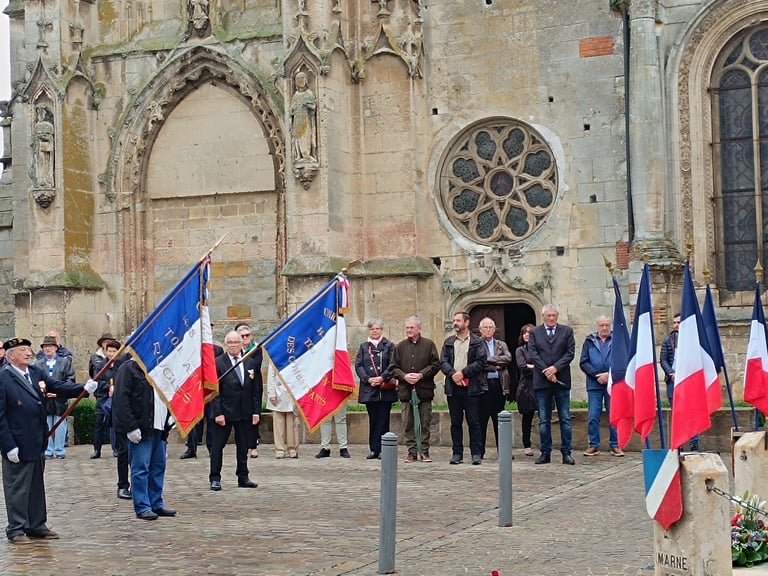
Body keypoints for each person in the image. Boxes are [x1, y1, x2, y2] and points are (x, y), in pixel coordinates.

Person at [0, 338, 97, 543]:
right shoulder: (4, 378)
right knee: (17, 487)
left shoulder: (34, 373)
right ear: (11, 356)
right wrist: (8, 446)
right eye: (22, 350)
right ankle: (16, 529)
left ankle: (36, 525)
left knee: (36, 486)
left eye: (28, 349)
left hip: (37, 439)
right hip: (18, 442)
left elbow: (57, 386)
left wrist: (83, 388)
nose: (28, 353)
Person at [112, 357, 176, 520]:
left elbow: (168, 394)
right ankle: (142, 505)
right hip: (141, 427)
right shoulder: (129, 368)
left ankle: (156, 502)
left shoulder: (161, 367)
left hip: (159, 426)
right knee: (141, 468)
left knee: (158, 467)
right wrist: (131, 427)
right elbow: (121, 399)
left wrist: (171, 416)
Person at [209, 331, 262, 491]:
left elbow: (256, 390)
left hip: (244, 412)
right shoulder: (218, 363)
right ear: (226, 345)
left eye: (236, 342)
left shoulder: (250, 362)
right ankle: (215, 478)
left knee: (243, 446)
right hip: (224, 412)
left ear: (241, 344)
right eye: (230, 342)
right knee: (217, 447)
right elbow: (214, 391)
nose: (233, 345)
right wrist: (217, 413)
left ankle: (243, 476)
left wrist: (256, 412)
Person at [528, 304, 576, 465]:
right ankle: (545, 452)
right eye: (548, 315)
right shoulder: (535, 332)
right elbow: (533, 353)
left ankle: (566, 452)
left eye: (554, 315)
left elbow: (570, 353)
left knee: (565, 418)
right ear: (543, 317)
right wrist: (546, 371)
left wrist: (555, 368)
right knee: (544, 419)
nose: (551, 318)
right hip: (542, 381)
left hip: (561, 380)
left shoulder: (566, 331)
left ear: (557, 316)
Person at [389, 316, 440, 463]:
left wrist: (421, 375)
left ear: (419, 329)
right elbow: (393, 367)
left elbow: (436, 364)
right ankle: (411, 451)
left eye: (412, 328)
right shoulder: (400, 347)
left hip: (424, 389)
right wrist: (404, 376)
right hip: (406, 390)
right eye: (407, 328)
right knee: (408, 422)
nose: (409, 330)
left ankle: (424, 450)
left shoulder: (429, 345)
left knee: (425, 421)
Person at [440, 311, 487, 465]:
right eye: (453, 320)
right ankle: (457, 453)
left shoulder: (477, 342)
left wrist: (463, 373)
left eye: (458, 320)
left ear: (467, 323)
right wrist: (453, 374)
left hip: (472, 387)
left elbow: (481, 361)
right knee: (455, 422)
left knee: (474, 422)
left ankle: (476, 453)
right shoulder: (448, 342)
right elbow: (443, 361)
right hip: (454, 388)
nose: (455, 323)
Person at [580, 316, 623, 457]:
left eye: (607, 325)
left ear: (610, 326)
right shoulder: (589, 341)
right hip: (594, 383)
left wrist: (609, 375)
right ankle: (593, 445)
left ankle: (615, 445)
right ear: (597, 326)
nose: (604, 328)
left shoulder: (617, 341)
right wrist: (597, 375)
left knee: (614, 415)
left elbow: (622, 360)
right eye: (601, 325)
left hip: (612, 383)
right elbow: (583, 362)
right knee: (593, 415)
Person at [354, 319, 397, 460]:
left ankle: (384, 449)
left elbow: (393, 364)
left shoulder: (389, 346)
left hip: (384, 389)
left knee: (384, 419)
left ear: (381, 330)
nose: (375, 331)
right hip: (369, 389)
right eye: (372, 329)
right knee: (373, 420)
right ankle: (374, 448)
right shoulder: (363, 347)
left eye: (377, 328)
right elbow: (359, 366)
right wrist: (368, 379)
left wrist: (382, 378)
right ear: (369, 330)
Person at [661, 313, 699, 451]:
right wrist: (671, 373)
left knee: (692, 413)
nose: (676, 325)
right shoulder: (668, 340)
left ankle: (694, 443)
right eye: (674, 323)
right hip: (673, 381)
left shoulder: (693, 340)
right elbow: (663, 360)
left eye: (679, 322)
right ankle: (679, 443)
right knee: (677, 413)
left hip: (689, 381)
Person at [35, 335, 75, 460]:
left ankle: (59, 449)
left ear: (56, 348)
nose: (47, 349)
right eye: (45, 347)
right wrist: (44, 392)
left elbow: (70, 379)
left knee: (60, 424)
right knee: (46, 424)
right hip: (45, 399)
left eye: (50, 346)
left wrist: (59, 391)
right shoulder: (38, 364)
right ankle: (48, 449)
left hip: (60, 398)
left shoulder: (64, 362)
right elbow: (35, 380)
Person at [477, 317, 512, 458]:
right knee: (482, 420)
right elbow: (479, 362)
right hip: (483, 386)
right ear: (480, 329)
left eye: (490, 327)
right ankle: (480, 451)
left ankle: (502, 451)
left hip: (499, 385)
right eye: (485, 327)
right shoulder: (477, 344)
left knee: (500, 419)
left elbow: (508, 358)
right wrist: (496, 365)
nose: (488, 329)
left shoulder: (501, 344)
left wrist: (489, 361)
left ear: (494, 328)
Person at [236, 323, 262, 459]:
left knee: (254, 415)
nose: (245, 338)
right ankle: (243, 445)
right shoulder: (236, 351)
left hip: (254, 385)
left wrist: (245, 358)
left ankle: (253, 446)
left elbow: (256, 366)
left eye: (247, 335)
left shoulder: (256, 349)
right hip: (239, 386)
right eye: (243, 336)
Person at [515, 324, 538, 456]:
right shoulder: (520, 350)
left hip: (539, 385)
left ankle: (545, 445)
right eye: (524, 333)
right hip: (526, 387)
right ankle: (527, 445)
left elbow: (543, 364)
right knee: (527, 417)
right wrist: (535, 367)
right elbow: (522, 366)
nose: (526, 335)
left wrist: (533, 366)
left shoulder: (540, 349)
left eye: (529, 332)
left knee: (544, 416)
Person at [266, 365, 298, 458]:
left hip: (291, 392)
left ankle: (292, 448)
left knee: (291, 424)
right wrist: (271, 393)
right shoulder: (275, 353)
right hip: (278, 392)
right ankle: (280, 449)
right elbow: (271, 375)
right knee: (278, 424)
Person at [290, 71, 317, 162]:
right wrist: (293, 108)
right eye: (298, 80)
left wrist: (306, 104)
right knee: (297, 136)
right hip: (297, 119)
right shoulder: (295, 95)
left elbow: (313, 107)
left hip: (305, 118)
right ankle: (298, 155)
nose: (300, 82)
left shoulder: (309, 93)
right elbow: (291, 110)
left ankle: (306, 154)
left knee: (305, 135)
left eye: (301, 79)